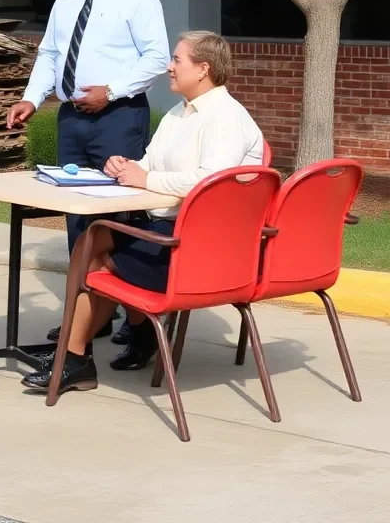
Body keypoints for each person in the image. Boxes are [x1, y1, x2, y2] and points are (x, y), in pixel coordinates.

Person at [21, 31, 264, 394]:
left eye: (177, 60)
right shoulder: (180, 115)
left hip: (201, 252)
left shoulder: (225, 118)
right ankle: (100, 346)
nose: (168, 66)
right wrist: (126, 167)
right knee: (93, 237)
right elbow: (150, 163)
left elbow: (210, 183)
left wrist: (146, 177)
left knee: (97, 261)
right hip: (172, 231)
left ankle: (76, 358)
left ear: (203, 69)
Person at [6, 0, 169, 343]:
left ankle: (138, 327)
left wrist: (112, 92)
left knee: (118, 218)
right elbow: (50, 54)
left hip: (118, 118)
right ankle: (88, 315)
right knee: (78, 218)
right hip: (73, 120)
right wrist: (31, 97)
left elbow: (156, 58)